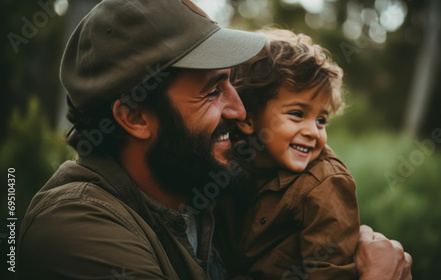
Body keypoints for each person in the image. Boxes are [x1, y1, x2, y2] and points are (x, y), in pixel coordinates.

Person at [16, 0, 412, 279]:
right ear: (135, 116)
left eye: (231, 81)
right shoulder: (72, 229)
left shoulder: (198, 183)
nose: (240, 111)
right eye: (212, 90)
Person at [214, 28, 358, 279]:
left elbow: (330, 271)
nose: (313, 132)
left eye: (321, 120)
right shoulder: (227, 160)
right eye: (297, 114)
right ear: (247, 119)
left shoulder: (325, 184)